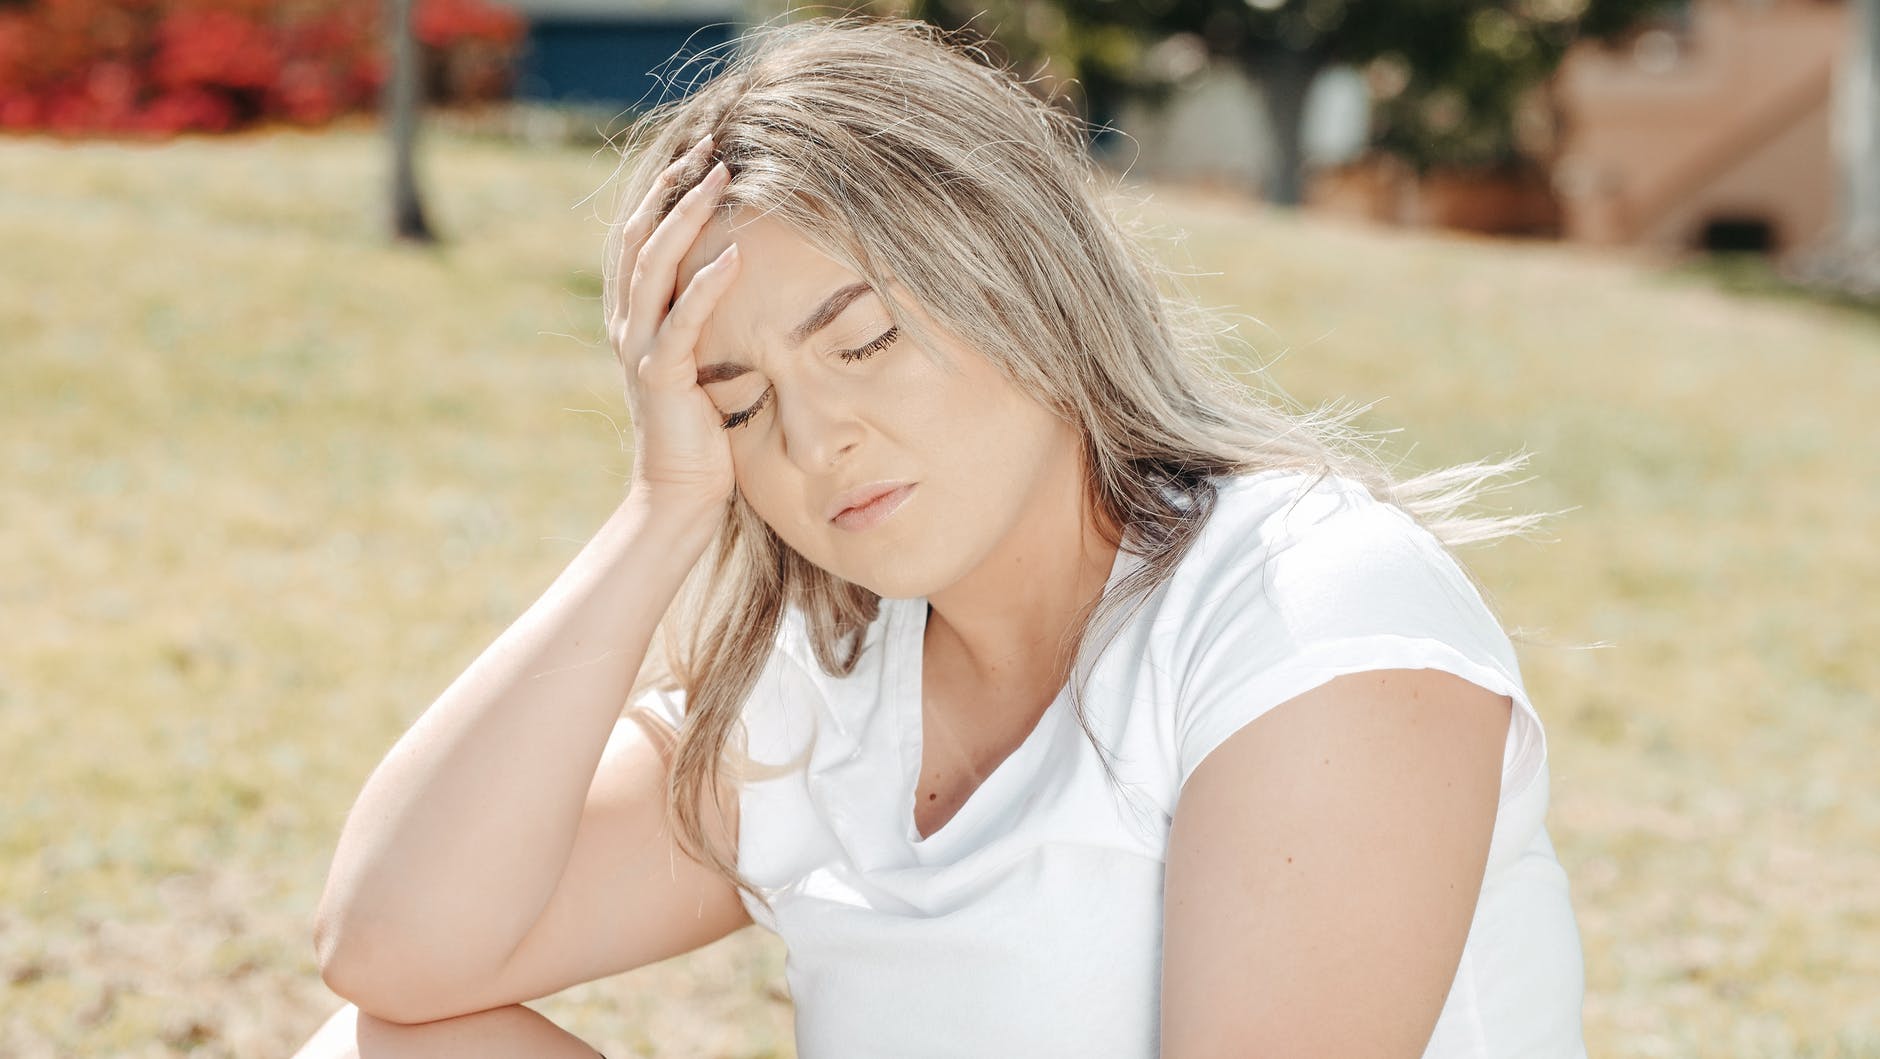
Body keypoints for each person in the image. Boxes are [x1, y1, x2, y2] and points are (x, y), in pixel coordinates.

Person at [294, 14, 1587, 1058]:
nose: (815, 441)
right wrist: (662, 508)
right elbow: (396, 950)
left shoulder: (1311, 610)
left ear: (1024, 275)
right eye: (738, 402)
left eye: (863, 342)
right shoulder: (831, 689)